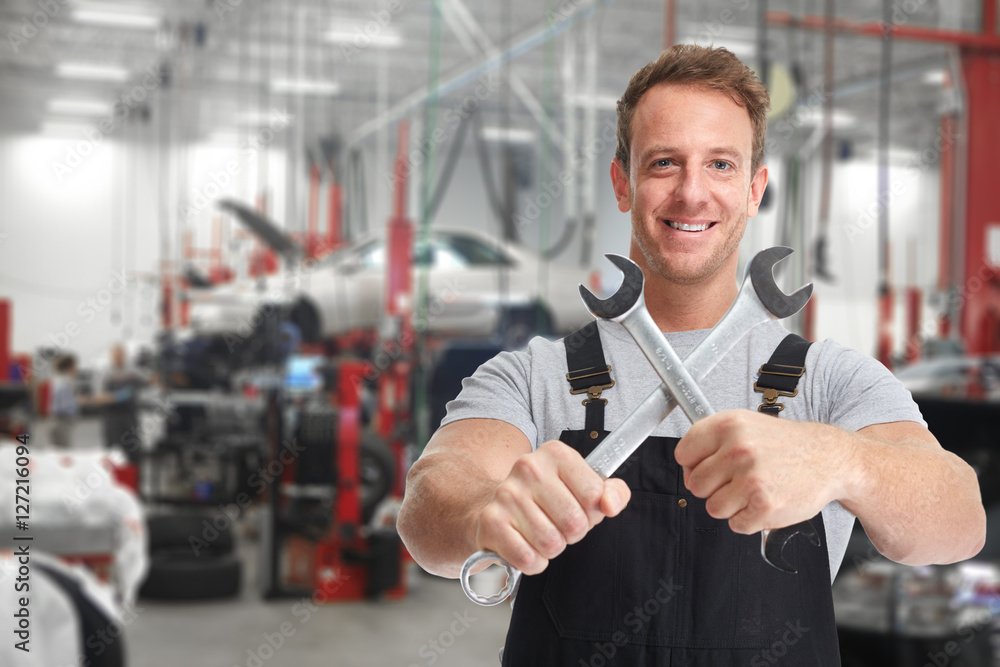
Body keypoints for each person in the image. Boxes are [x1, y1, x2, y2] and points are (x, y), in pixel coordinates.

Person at [397, 44, 986, 665]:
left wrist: (843, 461)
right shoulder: (532, 375)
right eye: (663, 163)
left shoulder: (832, 382)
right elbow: (429, 504)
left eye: (722, 165)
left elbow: (959, 520)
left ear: (756, 188)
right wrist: (484, 512)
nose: (691, 193)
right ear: (622, 182)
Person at [100, 343, 145, 462]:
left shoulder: (134, 372)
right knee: (113, 450)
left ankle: (134, 478)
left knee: (134, 449)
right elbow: (99, 395)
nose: (118, 358)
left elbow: (146, 383)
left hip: (129, 415)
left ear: (124, 356)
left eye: (120, 355)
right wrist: (109, 398)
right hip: (112, 416)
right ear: (111, 357)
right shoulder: (106, 373)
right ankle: (113, 479)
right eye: (115, 356)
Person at [49, 353, 80, 448]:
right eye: (75, 366)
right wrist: (77, 402)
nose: (77, 369)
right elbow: (64, 407)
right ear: (70, 367)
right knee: (63, 454)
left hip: (60, 422)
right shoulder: (64, 383)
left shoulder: (61, 381)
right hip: (61, 422)